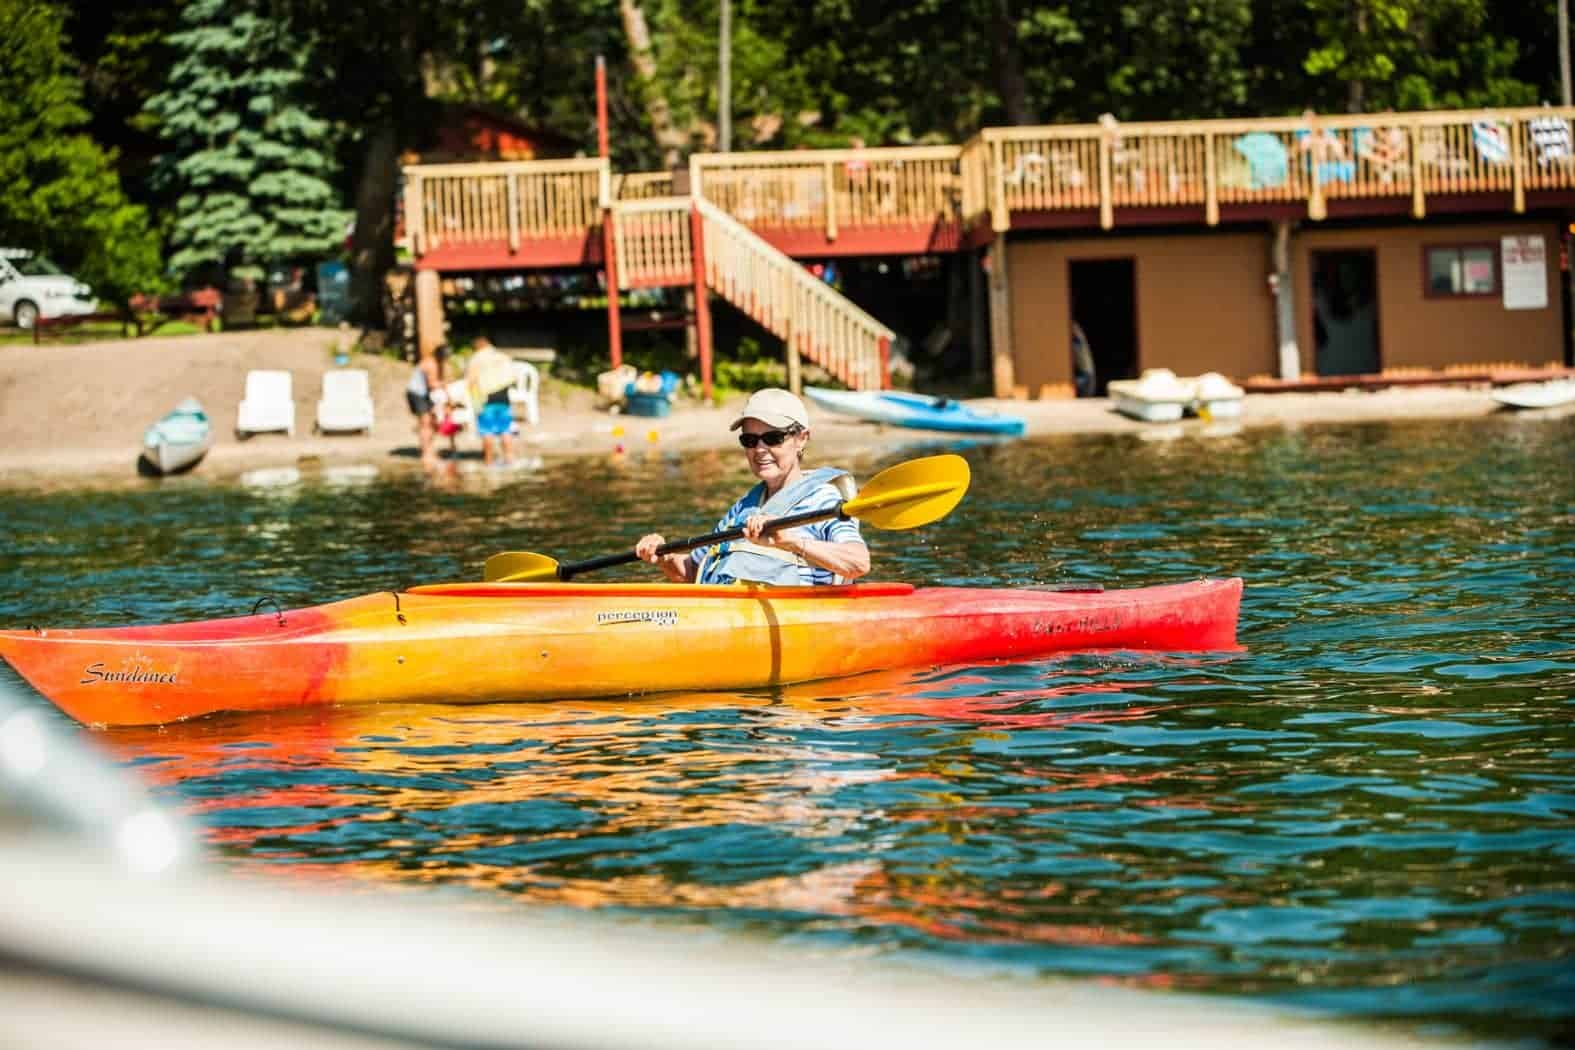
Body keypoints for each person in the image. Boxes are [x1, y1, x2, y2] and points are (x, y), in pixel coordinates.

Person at [635, 388, 870, 586]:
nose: (759, 449)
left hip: (797, 618)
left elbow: (859, 563)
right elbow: (692, 571)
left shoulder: (824, 500)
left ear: (802, 438)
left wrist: (791, 542)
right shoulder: (743, 508)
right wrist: (662, 556)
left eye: (773, 438)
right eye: (749, 440)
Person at [465, 336, 516, 467]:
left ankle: (488, 461)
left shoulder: (476, 359)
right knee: (505, 430)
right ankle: (509, 459)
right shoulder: (503, 357)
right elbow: (512, 377)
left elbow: (471, 381)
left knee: (487, 431)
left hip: (486, 399)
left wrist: (472, 400)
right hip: (504, 398)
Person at [406, 346, 447, 469]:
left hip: (421, 394)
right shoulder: (431, 364)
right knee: (426, 423)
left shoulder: (431, 362)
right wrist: (446, 384)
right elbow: (432, 384)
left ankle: (429, 450)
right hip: (418, 394)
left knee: (429, 423)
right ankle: (426, 454)